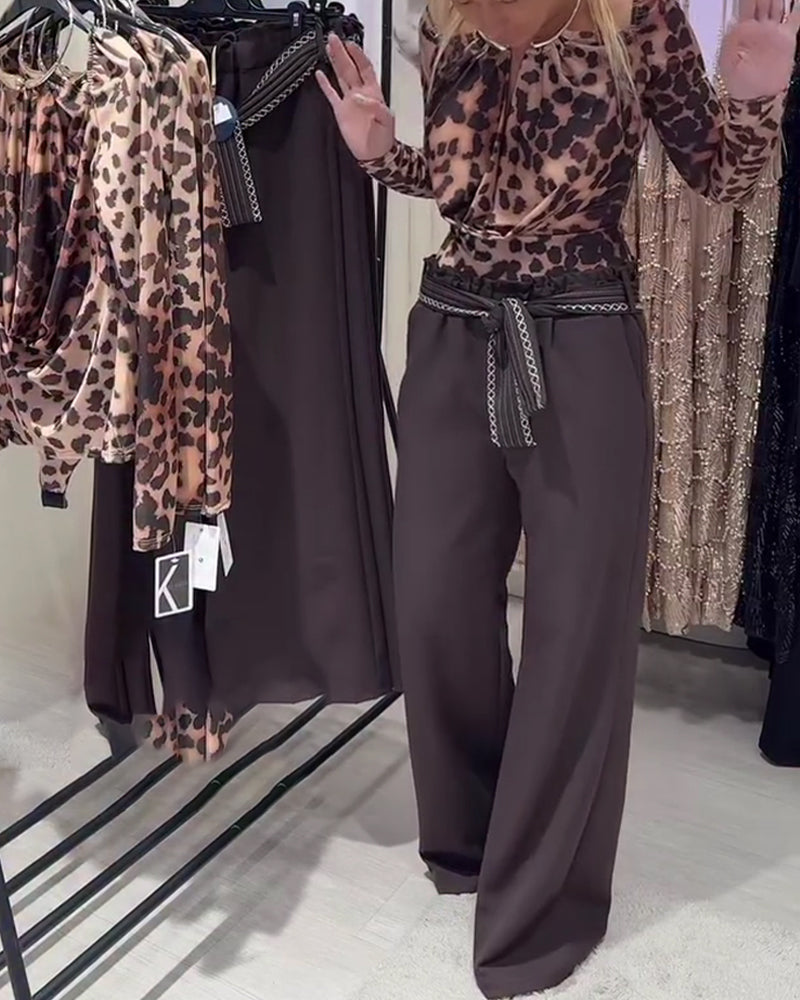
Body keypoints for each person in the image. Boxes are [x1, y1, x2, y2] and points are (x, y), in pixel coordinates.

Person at [318, 1, 799, 997]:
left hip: (580, 335)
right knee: (433, 603)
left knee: (575, 631)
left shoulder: (635, 18)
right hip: (452, 325)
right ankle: (471, 840)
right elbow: (464, 186)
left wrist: (755, 100)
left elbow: (719, 176)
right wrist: (380, 155)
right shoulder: (445, 20)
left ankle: (541, 909)